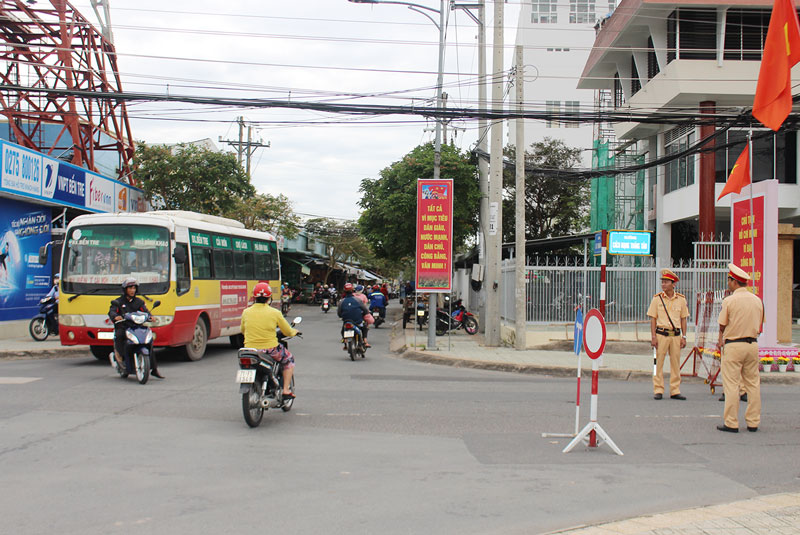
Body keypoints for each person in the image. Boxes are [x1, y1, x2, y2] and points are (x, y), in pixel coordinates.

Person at [716, 263, 764, 433]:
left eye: (729, 280)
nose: (728, 283)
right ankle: (753, 422)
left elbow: (722, 324)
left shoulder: (729, 300)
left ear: (734, 281)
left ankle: (731, 422)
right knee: (753, 384)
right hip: (752, 344)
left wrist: (720, 338)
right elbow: (760, 325)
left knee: (731, 384)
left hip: (734, 345)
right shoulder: (757, 300)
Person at [240, 283, 300, 399]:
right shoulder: (275, 313)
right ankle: (286, 390)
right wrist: (294, 332)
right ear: (269, 298)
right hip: (270, 349)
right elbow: (287, 331)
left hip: (249, 350)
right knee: (289, 360)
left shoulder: (246, 312)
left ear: (254, 297)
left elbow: (243, 330)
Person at [109, 278, 164, 379]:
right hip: (124, 326)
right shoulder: (118, 302)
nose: (132, 290)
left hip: (137, 326)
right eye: (130, 288)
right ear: (125, 289)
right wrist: (115, 316)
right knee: (120, 335)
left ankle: (154, 368)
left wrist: (151, 316)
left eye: (134, 288)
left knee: (149, 341)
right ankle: (121, 358)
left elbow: (146, 311)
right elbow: (112, 311)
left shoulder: (139, 302)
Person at [647, 269, 689, 400]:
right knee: (657, 363)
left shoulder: (681, 299)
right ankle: (658, 389)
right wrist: (653, 336)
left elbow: (684, 319)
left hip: (675, 336)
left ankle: (675, 390)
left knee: (675, 363)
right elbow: (653, 318)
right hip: (661, 335)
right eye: (663, 282)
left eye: (666, 282)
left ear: (673, 284)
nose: (663, 285)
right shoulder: (657, 299)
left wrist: (684, 336)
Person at [338, 282, 370, 349]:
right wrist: (364, 314)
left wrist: (342, 316)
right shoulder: (358, 300)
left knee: (343, 330)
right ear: (352, 290)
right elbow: (365, 310)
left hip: (346, 321)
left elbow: (339, 313)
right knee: (364, 328)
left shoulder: (341, 301)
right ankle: (365, 340)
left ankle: (345, 341)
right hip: (357, 321)